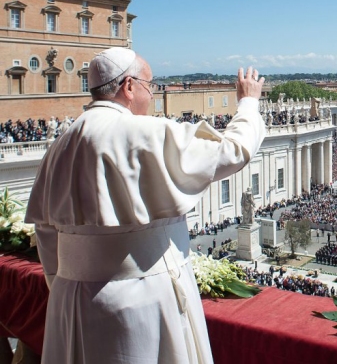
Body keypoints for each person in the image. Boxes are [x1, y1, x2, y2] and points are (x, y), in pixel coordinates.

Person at [25, 47, 266, 364]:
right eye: (149, 86)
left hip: (70, 304)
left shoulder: (61, 143)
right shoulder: (146, 132)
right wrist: (248, 102)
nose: (151, 95)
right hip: (142, 302)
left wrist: (68, 284)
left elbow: (45, 231)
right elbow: (233, 150)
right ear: (128, 86)